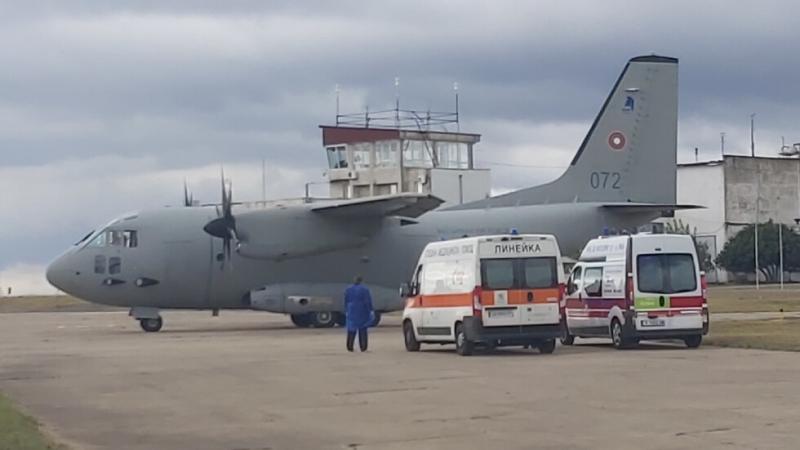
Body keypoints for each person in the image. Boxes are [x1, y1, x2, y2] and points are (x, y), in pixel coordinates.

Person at [343, 275, 375, 352]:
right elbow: (367, 300)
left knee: (351, 328)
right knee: (363, 328)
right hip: (361, 309)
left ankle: (349, 346)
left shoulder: (348, 288)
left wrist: (346, 309)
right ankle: (363, 347)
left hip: (351, 309)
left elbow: (345, 299)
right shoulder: (364, 289)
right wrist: (370, 309)